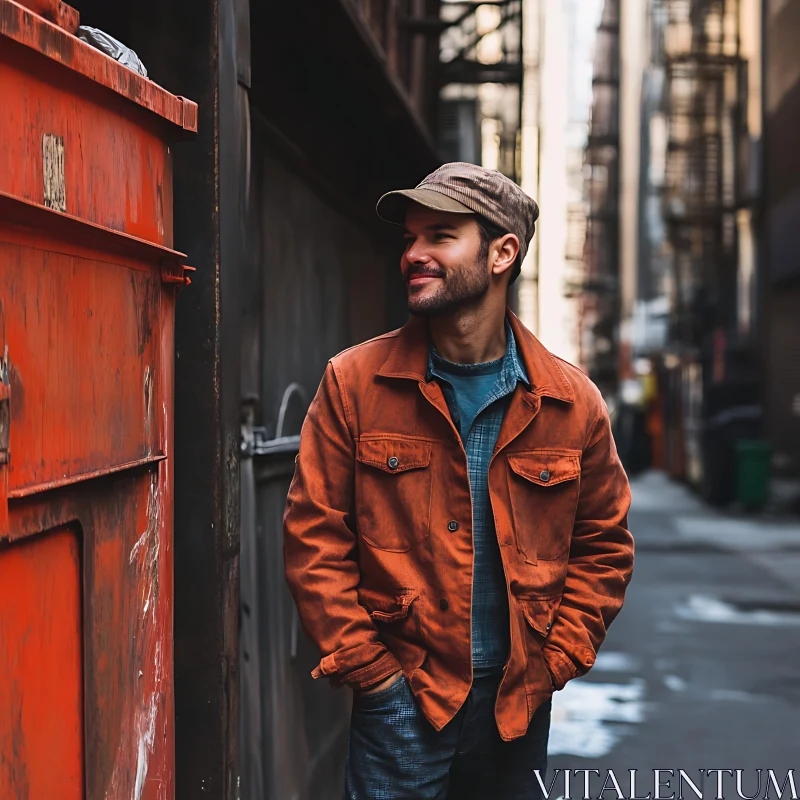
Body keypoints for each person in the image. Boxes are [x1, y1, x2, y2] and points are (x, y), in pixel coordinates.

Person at [283, 162, 634, 800]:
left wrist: (553, 663)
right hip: (403, 703)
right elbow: (313, 541)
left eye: (440, 236)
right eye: (411, 237)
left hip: (515, 709)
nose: (413, 254)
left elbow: (603, 546)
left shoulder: (570, 402)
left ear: (503, 253)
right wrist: (374, 674)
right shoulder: (355, 385)